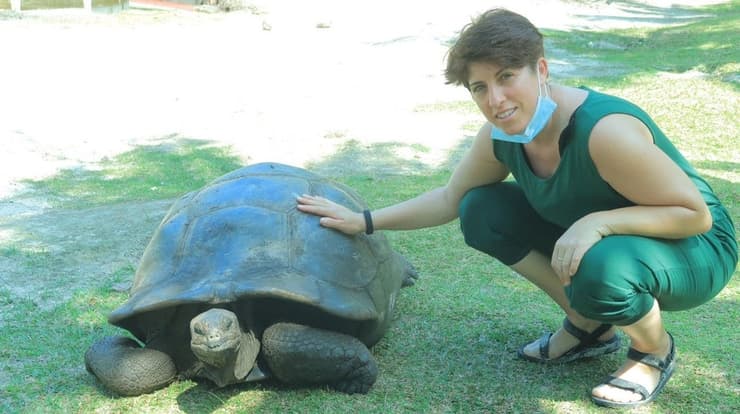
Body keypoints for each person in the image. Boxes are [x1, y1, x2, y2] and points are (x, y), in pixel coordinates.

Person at [296, 8, 737, 408]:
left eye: (507, 76)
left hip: (694, 246)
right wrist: (364, 221)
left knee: (600, 267)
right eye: (479, 87)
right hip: (616, 239)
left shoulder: (605, 131)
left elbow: (694, 214)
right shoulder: (502, 136)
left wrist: (597, 224)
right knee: (481, 208)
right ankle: (587, 323)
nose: (495, 100)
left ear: (541, 69)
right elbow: (451, 200)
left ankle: (654, 350)